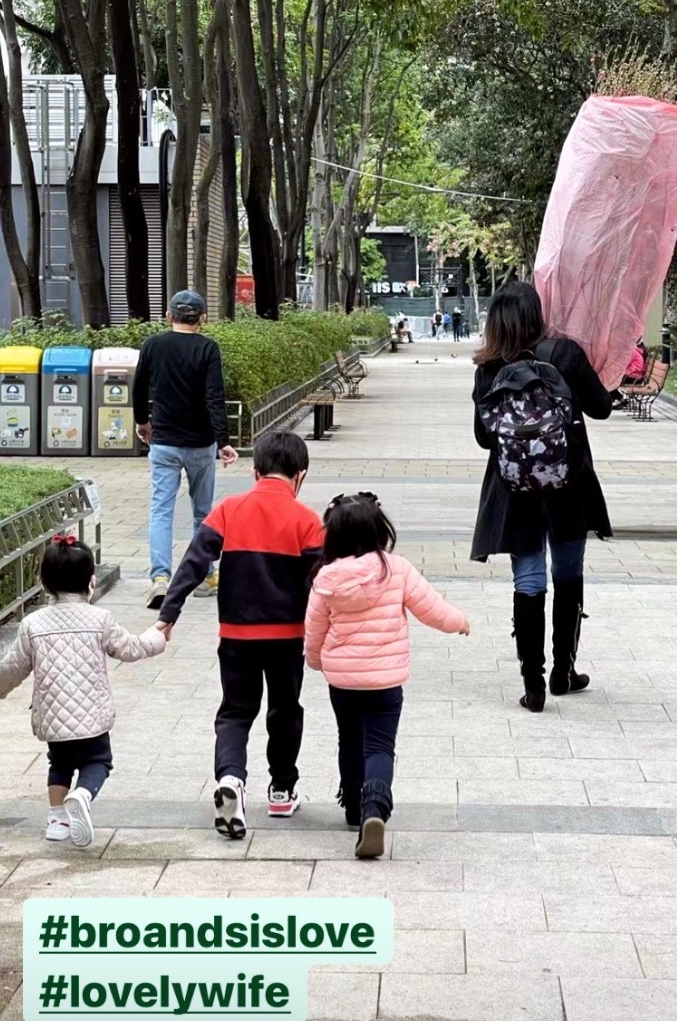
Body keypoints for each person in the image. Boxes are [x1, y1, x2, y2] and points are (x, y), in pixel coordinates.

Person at [156, 431, 323, 839]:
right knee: (285, 710)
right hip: (286, 637)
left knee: (235, 712)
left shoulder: (229, 509)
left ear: (255, 472)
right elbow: (322, 581)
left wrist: (169, 612)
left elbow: (194, 561)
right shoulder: (307, 521)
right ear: (300, 475)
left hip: (236, 635)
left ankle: (230, 778)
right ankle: (281, 790)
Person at [471, 282, 612, 713]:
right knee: (568, 573)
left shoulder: (489, 367)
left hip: (515, 490)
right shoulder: (564, 353)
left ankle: (532, 683)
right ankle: (564, 672)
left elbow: (483, 438)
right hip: (568, 483)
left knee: (529, 579)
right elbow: (602, 407)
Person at [305, 493, 469, 859]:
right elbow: (431, 607)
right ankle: (374, 809)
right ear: (380, 530)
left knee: (349, 740)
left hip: (343, 680)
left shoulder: (325, 578)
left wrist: (315, 661)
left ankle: (352, 807)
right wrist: (459, 621)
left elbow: (314, 627)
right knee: (380, 746)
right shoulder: (396, 568)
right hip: (385, 680)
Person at [0, 536, 166, 847]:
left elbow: (13, 666)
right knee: (98, 761)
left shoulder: (33, 624)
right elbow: (130, 648)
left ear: (44, 582)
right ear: (90, 581)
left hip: (54, 715)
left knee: (59, 764)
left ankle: (57, 819)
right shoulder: (100, 619)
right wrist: (157, 637)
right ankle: (82, 795)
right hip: (92, 715)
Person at [133, 290, 239, 611]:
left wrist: (142, 422)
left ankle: (160, 577)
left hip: (164, 442)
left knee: (161, 510)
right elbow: (214, 396)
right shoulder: (208, 348)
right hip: (201, 444)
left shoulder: (153, 345)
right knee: (203, 513)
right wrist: (223, 441)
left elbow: (139, 387)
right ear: (202, 319)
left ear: (169, 316)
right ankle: (205, 576)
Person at [612, 338, 648, 409]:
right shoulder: (636, 351)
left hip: (634, 378)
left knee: (609, 382)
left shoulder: (633, 351)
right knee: (610, 381)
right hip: (635, 377)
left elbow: (624, 364)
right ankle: (618, 399)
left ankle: (620, 399)